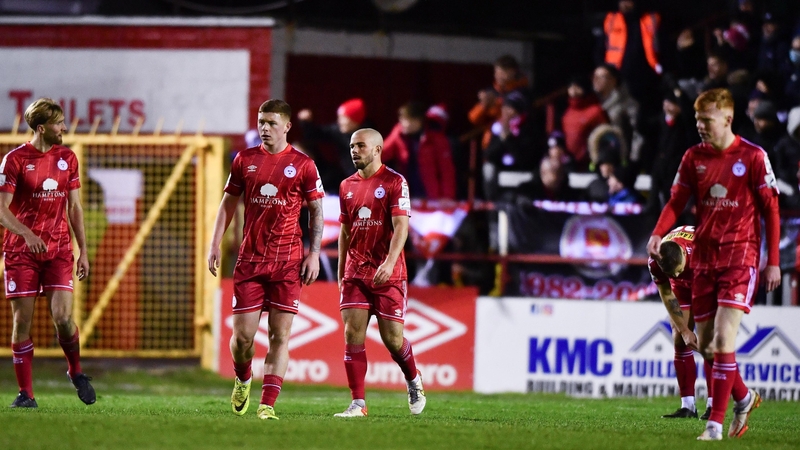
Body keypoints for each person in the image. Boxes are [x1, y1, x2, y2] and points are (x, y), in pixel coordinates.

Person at [646, 88, 780, 441]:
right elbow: (676, 200)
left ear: (727, 119)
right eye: (697, 119)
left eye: (706, 119)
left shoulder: (753, 156)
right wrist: (658, 232)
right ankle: (745, 397)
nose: (700, 125)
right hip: (706, 260)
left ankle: (714, 425)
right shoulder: (693, 157)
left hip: (740, 257)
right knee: (706, 346)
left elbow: (771, 209)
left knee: (722, 339)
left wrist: (773, 262)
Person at [207, 99, 324, 420]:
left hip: (287, 262)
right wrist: (215, 243)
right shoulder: (244, 160)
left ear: (287, 126)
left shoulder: (303, 165)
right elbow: (228, 203)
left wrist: (313, 254)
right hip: (250, 261)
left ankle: (267, 405)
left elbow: (316, 211)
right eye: (261, 122)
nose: (265, 128)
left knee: (279, 336)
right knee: (243, 338)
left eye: (272, 123)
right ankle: (243, 378)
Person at [2, 97, 95, 408]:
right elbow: (1, 209)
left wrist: (83, 251)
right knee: (22, 322)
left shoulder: (68, 158)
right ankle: (26, 394)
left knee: (64, 318)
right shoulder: (14, 161)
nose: (64, 128)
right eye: (59, 123)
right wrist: (26, 234)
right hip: (21, 252)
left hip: (58, 250)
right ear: (41, 128)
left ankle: (75, 371)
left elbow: (75, 207)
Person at [333, 128, 426, 418]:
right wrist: (341, 272)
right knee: (352, 333)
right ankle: (358, 404)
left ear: (377, 150)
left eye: (360, 145)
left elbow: (401, 227)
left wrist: (389, 262)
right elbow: (345, 232)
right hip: (356, 272)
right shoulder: (346, 185)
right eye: (352, 146)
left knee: (393, 340)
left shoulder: (395, 182)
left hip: (389, 274)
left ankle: (413, 379)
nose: (354, 150)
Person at [648, 226, 714, 421]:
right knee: (679, 339)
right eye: (672, 274)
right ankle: (688, 406)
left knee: (709, 342)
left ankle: (713, 405)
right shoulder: (655, 260)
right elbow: (666, 293)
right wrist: (684, 330)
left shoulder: (706, 252)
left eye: (678, 271)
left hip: (708, 284)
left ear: (684, 255)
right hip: (682, 290)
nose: (676, 276)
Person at [382, 101, 457, 200]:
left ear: (417, 121)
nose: (401, 124)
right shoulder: (398, 134)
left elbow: (446, 170)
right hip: (408, 194)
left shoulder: (436, 138)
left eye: (405, 120)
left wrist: (447, 196)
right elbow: (381, 153)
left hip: (432, 195)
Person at [297, 98, 369, 189]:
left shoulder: (368, 137)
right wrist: (305, 123)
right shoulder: (338, 131)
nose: (339, 121)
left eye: (343, 118)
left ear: (354, 120)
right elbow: (317, 134)